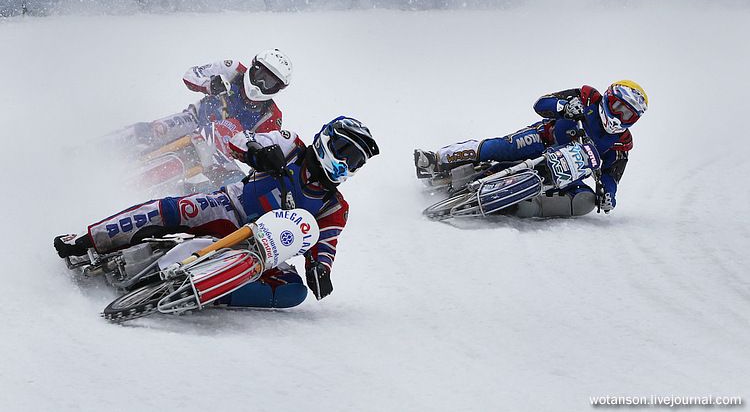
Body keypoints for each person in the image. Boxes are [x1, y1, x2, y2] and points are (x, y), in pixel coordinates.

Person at [55, 116, 379, 308]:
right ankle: (88, 238)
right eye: (346, 154)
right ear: (328, 140)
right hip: (228, 208)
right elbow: (226, 131)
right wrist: (254, 149)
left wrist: (320, 271)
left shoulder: (335, 206)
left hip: (261, 251)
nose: (347, 165)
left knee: (294, 292)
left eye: (356, 162)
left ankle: (207, 292)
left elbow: (325, 247)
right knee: (173, 209)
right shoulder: (289, 145)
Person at [414, 81, 648, 217]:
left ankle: (516, 205)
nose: (620, 117)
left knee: (584, 201)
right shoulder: (587, 98)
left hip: (565, 173)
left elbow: (612, 176)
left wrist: (609, 196)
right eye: (618, 108)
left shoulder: (621, 143)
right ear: (608, 98)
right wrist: (564, 106)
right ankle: (437, 160)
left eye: (628, 115)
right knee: (502, 147)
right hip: (542, 140)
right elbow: (541, 104)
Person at [134, 48, 293, 149]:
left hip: (221, 152)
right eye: (261, 76)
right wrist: (210, 84)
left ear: (277, 88)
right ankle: (118, 142)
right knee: (157, 129)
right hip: (194, 119)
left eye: (270, 83)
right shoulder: (233, 69)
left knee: (227, 184)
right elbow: (191, 74)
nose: (262, 84)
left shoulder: (272, 115)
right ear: (254, 67)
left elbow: (263, 148)